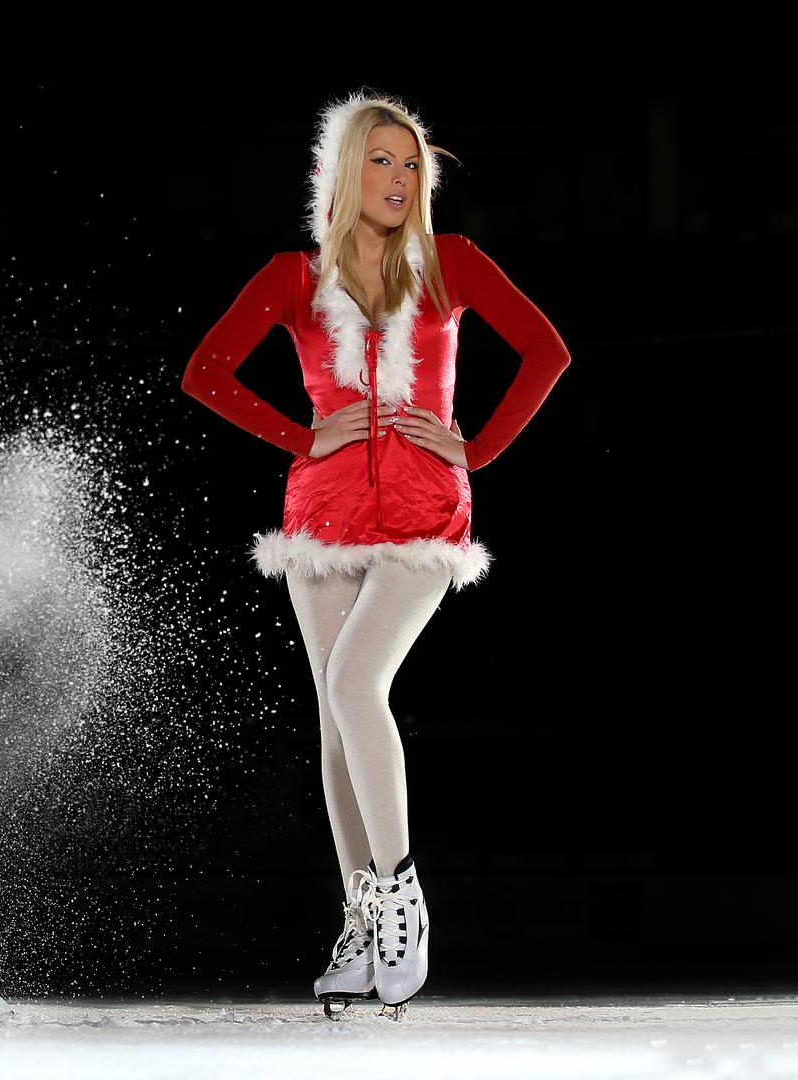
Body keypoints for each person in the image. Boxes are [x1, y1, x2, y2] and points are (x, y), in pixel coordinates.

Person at [179, 90, 571, 1019]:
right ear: (344, 171)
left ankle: (399, 896)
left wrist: (475, 448)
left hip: (424, 510)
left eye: (410, 164)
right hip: (321, 515)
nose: (398, 178)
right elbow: (204, 374)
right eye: (382, 161)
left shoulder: (450, 263)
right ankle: (357, 922)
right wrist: (300, 436)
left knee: (356, 683)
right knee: (333, 717)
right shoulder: (292, 276)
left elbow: (546, 352)